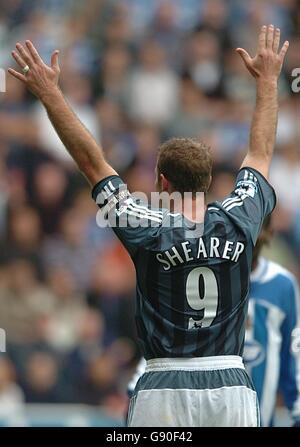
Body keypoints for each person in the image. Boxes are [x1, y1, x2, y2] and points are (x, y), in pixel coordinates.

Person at [8, 25, 289, 427]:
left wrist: (50, 94)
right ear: (208, 182)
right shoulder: (240, 217)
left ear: (162, 183)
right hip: (230, 383)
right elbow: (260, 153)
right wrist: (267, 80)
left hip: (163, 382)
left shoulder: (147, 226)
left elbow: (92, 163)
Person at [245, 216, 300, 427]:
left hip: (263, 418)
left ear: (270, 233)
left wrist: (297, 411)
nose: (250, 235)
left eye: (258, 227)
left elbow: (292, 353)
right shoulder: (209, 280)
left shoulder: (282, 284)